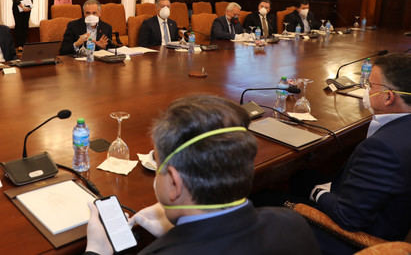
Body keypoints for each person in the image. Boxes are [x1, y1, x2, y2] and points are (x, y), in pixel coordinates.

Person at [85, 95, 320, 255]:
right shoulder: (292, 224)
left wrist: (95, 251)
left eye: (157, 161)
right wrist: (179, 233)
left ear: (174, 183)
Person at [307, 53, 411, 254]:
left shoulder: (384, 148)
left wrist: (318, 193)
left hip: (364, 238)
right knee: (303, 177)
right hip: (393, 211)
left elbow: (349, 217)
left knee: (269, 198)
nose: (366, 90)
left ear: (389, 96)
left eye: (371, 85)